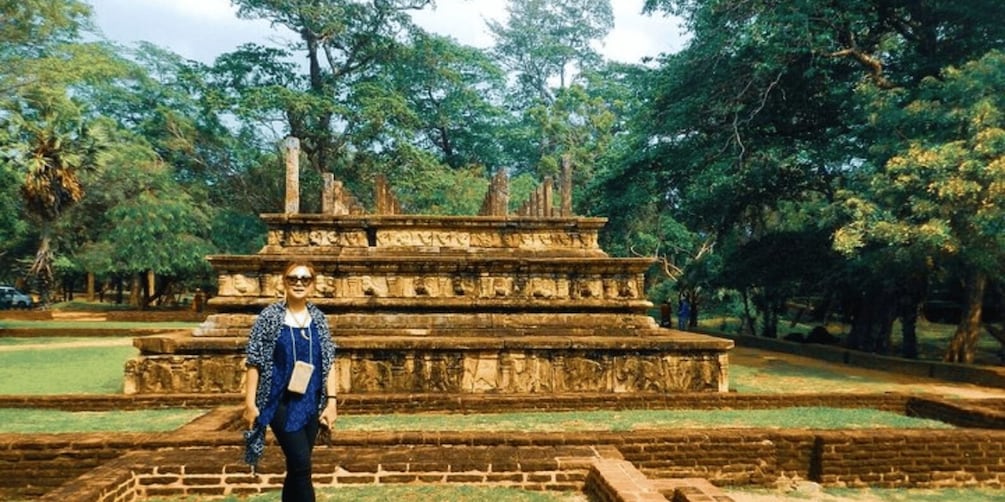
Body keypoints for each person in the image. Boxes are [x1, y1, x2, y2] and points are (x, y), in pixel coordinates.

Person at [243, 261, 337, 501]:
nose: (298, 283)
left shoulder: (318, 319)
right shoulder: (270, 317)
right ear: (283, 282)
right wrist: (250, 403)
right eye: (293, 278)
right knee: (302, 465)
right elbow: (254, 361)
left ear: (312, 285)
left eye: (305, 279)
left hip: (311, 403)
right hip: (279, 402)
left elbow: (329, 361)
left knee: (297, 468)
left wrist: (332, 402)